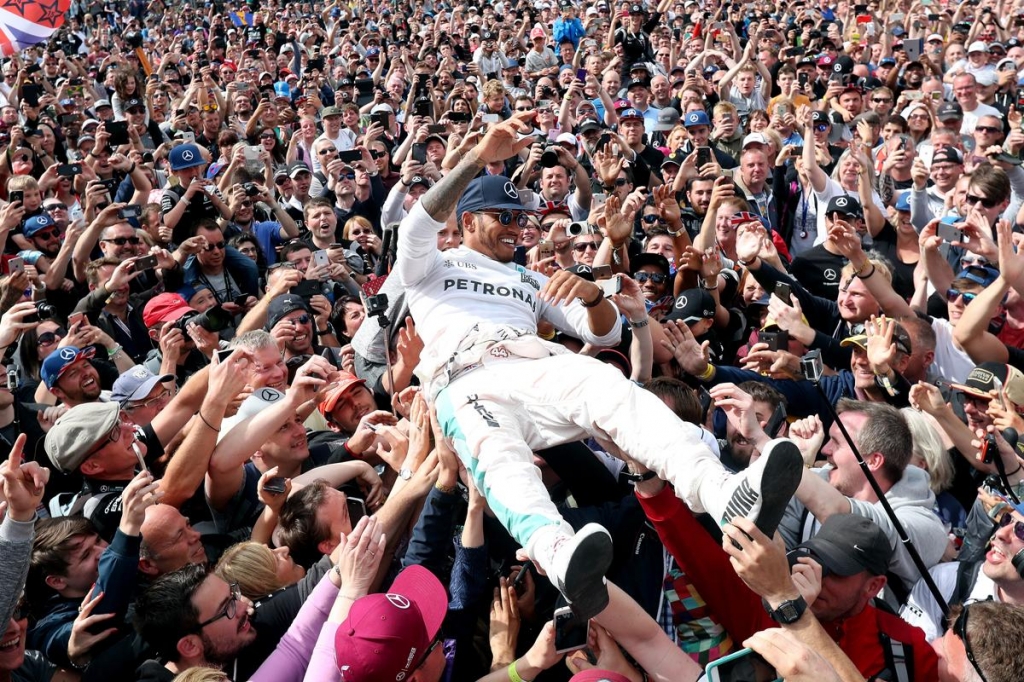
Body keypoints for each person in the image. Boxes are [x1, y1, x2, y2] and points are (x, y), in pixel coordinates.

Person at [394, 112, 804, 621]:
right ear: (469, 220)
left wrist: (591, 294)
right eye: (504, 215)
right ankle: (560, 555)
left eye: (521, 218)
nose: (516, 227)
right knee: (497, 457)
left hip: (530, 361)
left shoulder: (527, 276)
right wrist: (478, 157)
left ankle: (722, 494)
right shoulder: (432, 265)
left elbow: (603, 332)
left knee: (610, 388)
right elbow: (417, 225)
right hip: (464, 379)